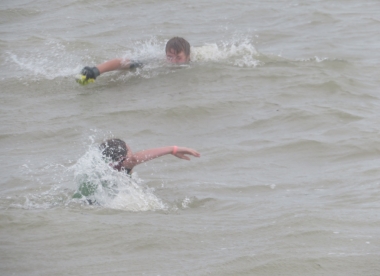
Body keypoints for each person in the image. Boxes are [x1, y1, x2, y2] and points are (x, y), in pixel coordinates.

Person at [76, 37, 191, 85]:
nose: (174, 62)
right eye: (170, 57)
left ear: (188, 57)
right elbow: (122, 62)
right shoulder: (156, 62)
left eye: (179, 58)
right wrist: (96, 71)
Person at [100, 138, 200, 175]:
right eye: (130, 150)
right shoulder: (119, 168)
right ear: (124, 156)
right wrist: (172, 149)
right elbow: (134, 159)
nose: (132, 152)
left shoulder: (105, 168)